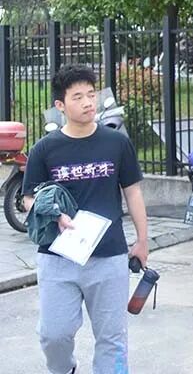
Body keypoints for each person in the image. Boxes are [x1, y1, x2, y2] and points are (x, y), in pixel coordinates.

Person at [23, 64, 148, 374]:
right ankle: (65, 368)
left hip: (109, 255)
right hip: (58, 256)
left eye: (91, 94)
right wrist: (54, 213)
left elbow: (133, 192)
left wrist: (142, 241)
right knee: (54, 335)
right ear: (60, 105)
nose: (88, 102)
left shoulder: (116, 143)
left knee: (112, 338)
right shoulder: (44, 149)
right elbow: (28, 199)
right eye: (77, 97)